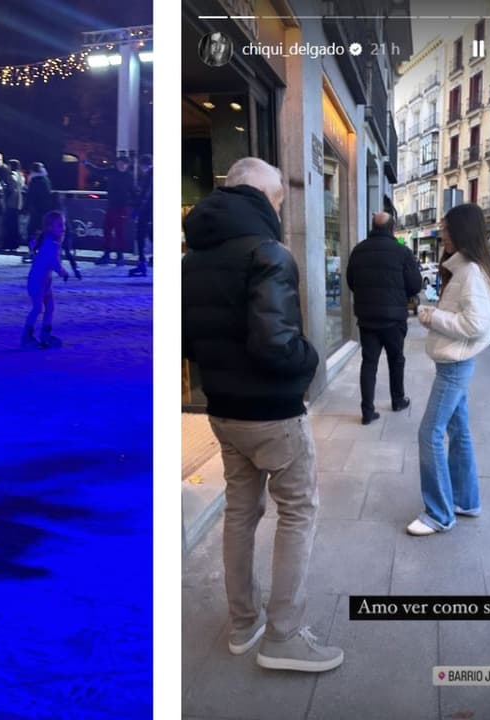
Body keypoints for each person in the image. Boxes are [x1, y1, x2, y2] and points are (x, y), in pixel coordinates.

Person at [182, 157, 341, 673]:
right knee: (298, 510)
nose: (280, 206)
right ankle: (283, 636)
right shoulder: (267, 252)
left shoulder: (192, 258)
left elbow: (185, 340)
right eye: (278, 198)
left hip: (222, 411)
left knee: (240, 513)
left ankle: (243, 623)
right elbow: (276, 344)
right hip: (272, 413)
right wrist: (310, 362)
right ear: (260, 194)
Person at [408, 203, 490, 536]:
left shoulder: (470, 272)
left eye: (446, 228)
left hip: (455, 366)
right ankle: (466, 500)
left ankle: (439, 513)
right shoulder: (466, 270)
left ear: (461, 231)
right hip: (456, 362)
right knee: (457, 431)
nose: (442, 233)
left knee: (429, 433)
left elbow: (475, 323)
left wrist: (431, 316)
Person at [346, 212, 423, 424]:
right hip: (394, 319)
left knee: (368, 362)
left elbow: (351, 282)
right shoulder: (402, 252)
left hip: (367, 318)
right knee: (396, 360)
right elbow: (415, 285)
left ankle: (367, 411)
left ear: (373, 226)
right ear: (392, 228)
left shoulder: (358, 251)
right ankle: (398, 400)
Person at [22, 211, 71, 349]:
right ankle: (27, 336)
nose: (63, 228)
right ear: (50, 227)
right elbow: (53, 262)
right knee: (38, 308)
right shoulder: (50, 244)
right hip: (37, 282)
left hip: (44, 282)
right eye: (60, 225)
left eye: (64, 225)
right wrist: (63, 273)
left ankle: (45, 335)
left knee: (49, 307)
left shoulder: (51, 242)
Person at [86, 156, 136, 267]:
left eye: (123, 164)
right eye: (119, 164)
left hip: (122, 207)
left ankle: (120, 256)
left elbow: (133, 191)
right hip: (111, 206)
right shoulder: (111, 171)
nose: (121, 166)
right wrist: (88, 165)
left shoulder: (129, 176)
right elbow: (99, 171)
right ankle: (107, 254)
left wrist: (136, 204)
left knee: (120, 232)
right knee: (107, 230)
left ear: (127, 165)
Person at [24, 162, 55, 265]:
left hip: (36, 211)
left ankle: (33, 251)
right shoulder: (46, 180)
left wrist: (26, 208)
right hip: (46, 210)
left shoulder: (34, 181)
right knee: (44, 231)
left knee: (32, 231)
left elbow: (31, 196)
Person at [130, 154, 154, 277]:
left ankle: (142, 263)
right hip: (149, 210)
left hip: (146, 210)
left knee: (141, 235)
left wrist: (137, 210)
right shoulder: (150, 174)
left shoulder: (150, 175)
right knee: (150, 234)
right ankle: (143, 262)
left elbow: (146, 194)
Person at [2, 157, 26, 254]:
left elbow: (10, 189)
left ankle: (9, 243)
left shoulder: (10, 176)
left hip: (11, 202)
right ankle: (15, 243)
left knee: (9, 224)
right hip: (19, 202)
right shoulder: (21, 176)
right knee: (15, 224)